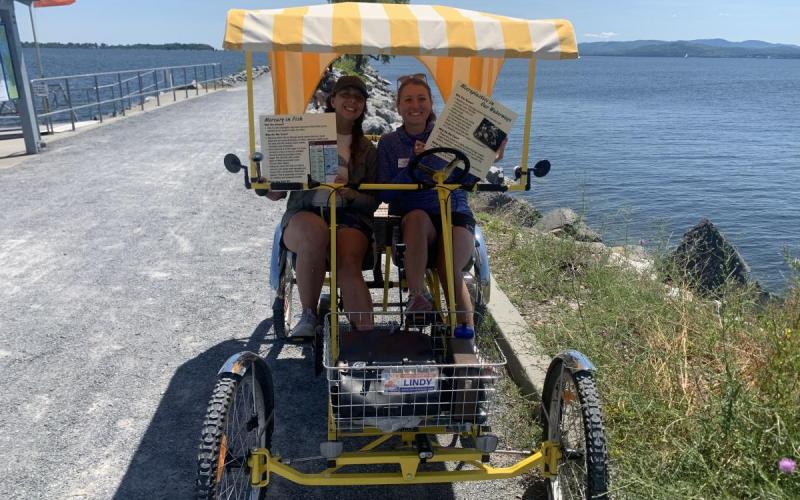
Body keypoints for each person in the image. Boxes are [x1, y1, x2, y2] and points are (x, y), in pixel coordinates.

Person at [267, 75, 378, 337]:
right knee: (315, 232)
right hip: (305, 213)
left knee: (348, 259)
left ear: (363, 105)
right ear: (332, 100)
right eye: (346, 94)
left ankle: (367, 336)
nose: (352, 101)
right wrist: (270, 184)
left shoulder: (367, 150)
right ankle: (309, 314)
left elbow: (374, 201)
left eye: (359, 97)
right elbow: (276, 193)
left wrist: (349, 194)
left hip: (349, 216)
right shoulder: (304, 131)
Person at [376, 74, 478, 335]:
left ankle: (465, 335)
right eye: (408, 99)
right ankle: (417, 296)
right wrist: (414, 165)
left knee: (448, 264)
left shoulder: (449, 136)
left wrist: (490, 156)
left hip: (454, 215)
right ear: (398, 106)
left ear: (431, 103)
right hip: (415, 219)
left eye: (422, 99)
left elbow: (467, 180)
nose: (415, 105)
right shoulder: (388, 144)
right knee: (418, 216)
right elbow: (384, 194)